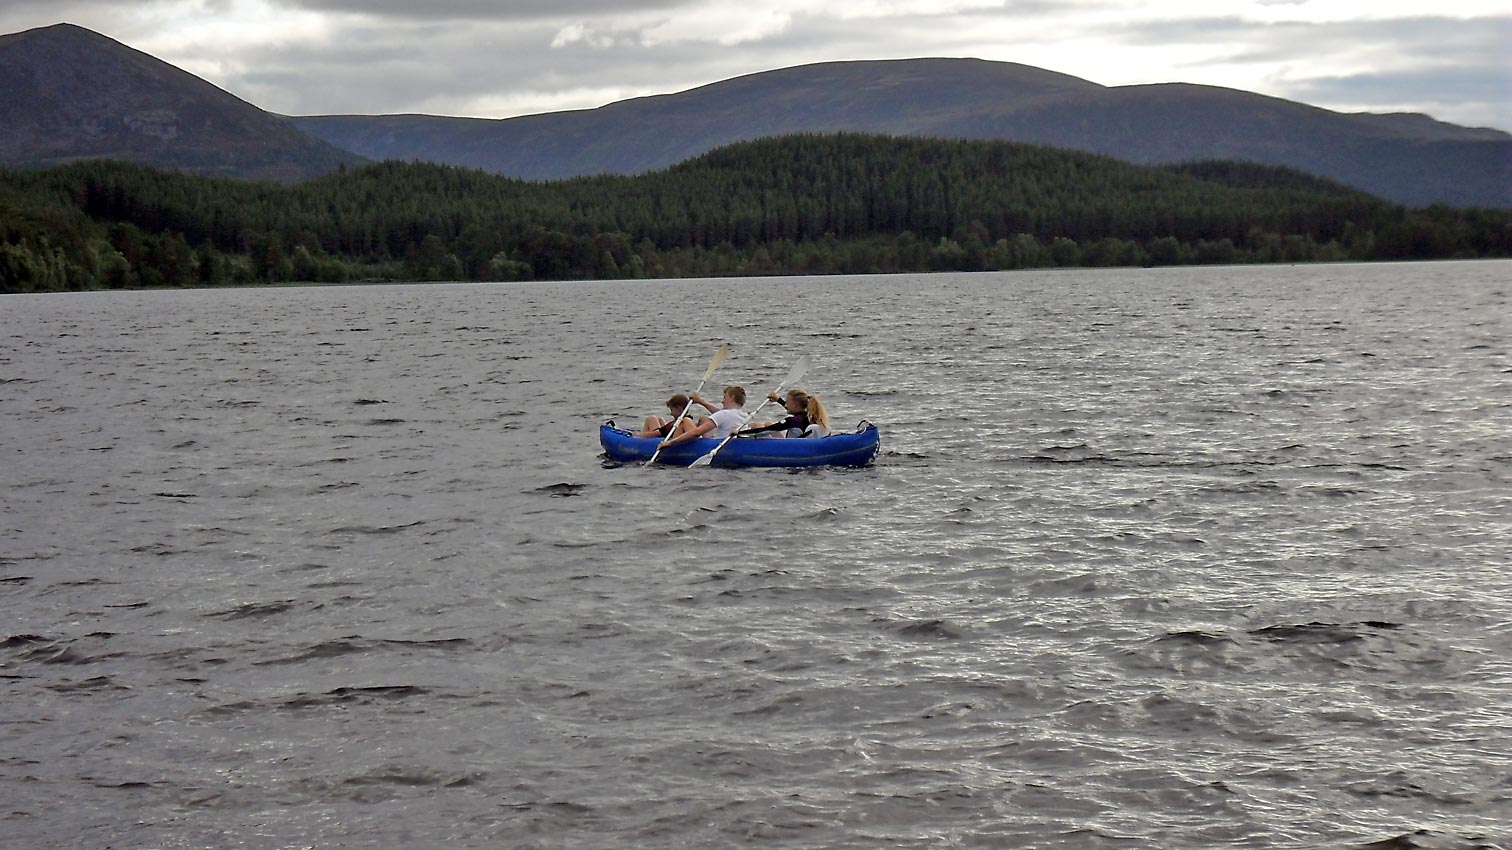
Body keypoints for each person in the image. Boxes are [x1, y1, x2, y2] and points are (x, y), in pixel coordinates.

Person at [659, 385, 747, 447]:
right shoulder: (744, 415)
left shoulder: (723, 414)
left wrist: (671, 442)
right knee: (704, 419)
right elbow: (721, 414)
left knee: (685, 420)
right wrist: (701, 401)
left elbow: (697, 432)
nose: (722, 401)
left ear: (732, 398)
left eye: (724, 397)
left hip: (716, 444)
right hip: (731, 442)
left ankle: (673, 449)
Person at [743, 389, 830, 438]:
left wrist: (739, 433)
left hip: (792, 449)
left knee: (757, 426)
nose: (786, 405)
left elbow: (768, 430)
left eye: (788, 403)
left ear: (794, 404)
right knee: (767, 423)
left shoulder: (792, 421)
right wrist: (778, 400)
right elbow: (795, 410)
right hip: (799, 443)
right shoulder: (809, 416)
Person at [633, 393, 699, 439]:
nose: (671, 413)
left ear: (678, 408)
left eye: (672, 410)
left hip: (663, 438)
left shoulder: (678, 423)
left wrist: (637, 435)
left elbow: (656, 433)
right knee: (660, 419)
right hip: (666, 434)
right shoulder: (689, 419)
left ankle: (641, 444)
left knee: (650, 419)